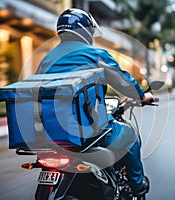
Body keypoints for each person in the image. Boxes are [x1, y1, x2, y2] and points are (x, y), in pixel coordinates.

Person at [36, 8, 154, 198]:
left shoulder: (46, 59)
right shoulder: (95, 54)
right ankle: (136, 185)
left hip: (50, 132)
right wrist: (141, 97)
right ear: (84, 30)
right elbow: (122, 81)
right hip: (85, 130)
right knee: (130, 135)